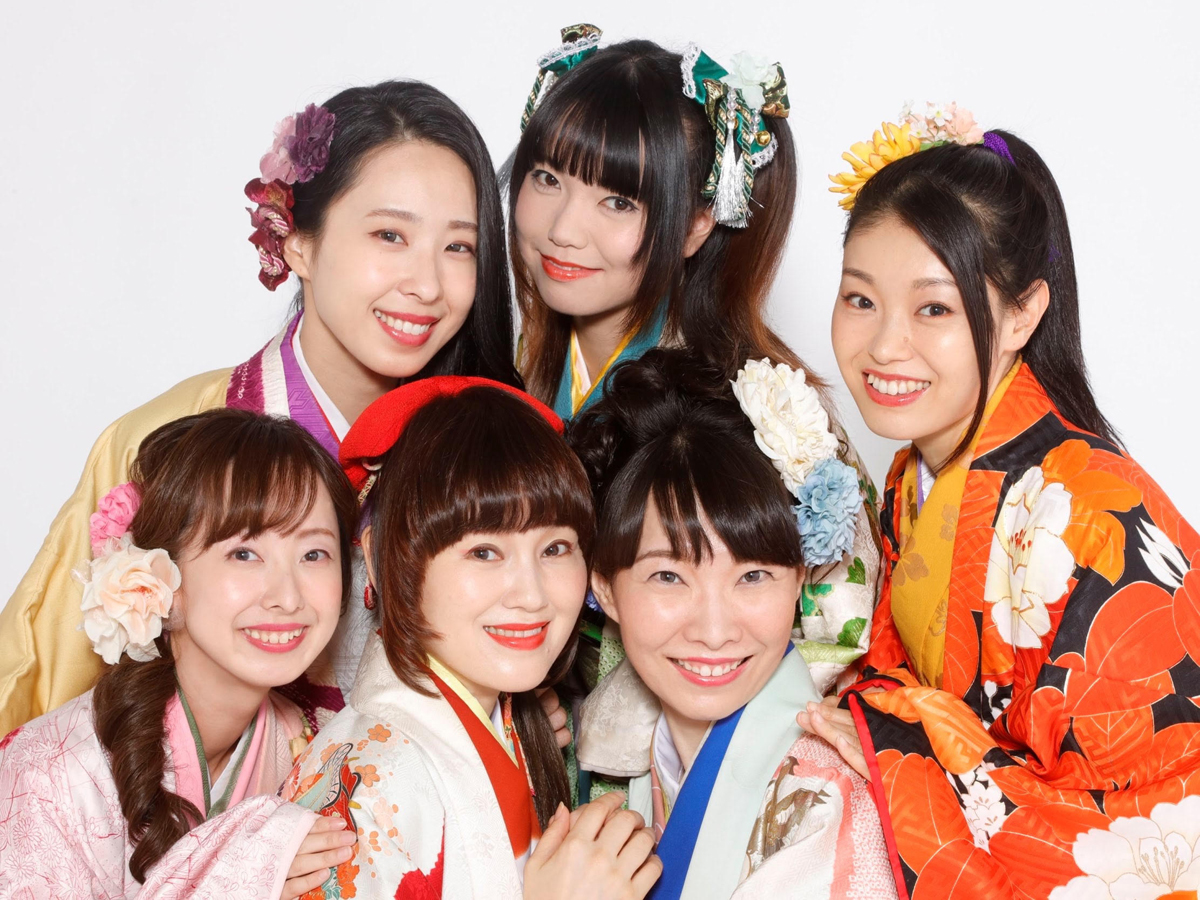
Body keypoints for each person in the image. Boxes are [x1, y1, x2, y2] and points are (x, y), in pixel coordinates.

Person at [0, 80, 521, 734]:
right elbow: (38, 685)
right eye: (390, 235)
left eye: (458, 247)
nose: (427, 284)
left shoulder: (477, 453)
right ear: (297, 241)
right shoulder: (165, 440)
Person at [801, 102, 1200, 899]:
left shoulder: (1093, 517)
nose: (884, 346)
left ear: (1022, 314)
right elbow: (898, 674)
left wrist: (900, 740)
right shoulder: (910, 478)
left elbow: (1155, 820)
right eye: (860, 299)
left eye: (934, 308)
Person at [508, 27, 882, 694]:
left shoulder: (753, 408)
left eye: (617, 200)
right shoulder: (523, 367)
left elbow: (838, 625)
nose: (562, 229)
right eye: (546, 177)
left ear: (695, 224)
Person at [282, 377, 662, 899]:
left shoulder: (509, 722)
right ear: (381, 558)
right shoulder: (372, 783)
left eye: (555, 548)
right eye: (484, 552)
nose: (531, 595)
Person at [570, 350, 896, 900]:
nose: (714, 630)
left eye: (753, 576)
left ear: (800, 579)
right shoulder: (610, 756)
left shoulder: (830, 795)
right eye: (668, 577)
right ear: (605, 589)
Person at [0, 409, 363, 899]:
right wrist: (238, 876)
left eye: (313, 554)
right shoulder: (50, 776)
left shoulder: (310, 747)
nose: (288, 596)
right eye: (244, 553)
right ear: (160, 579)